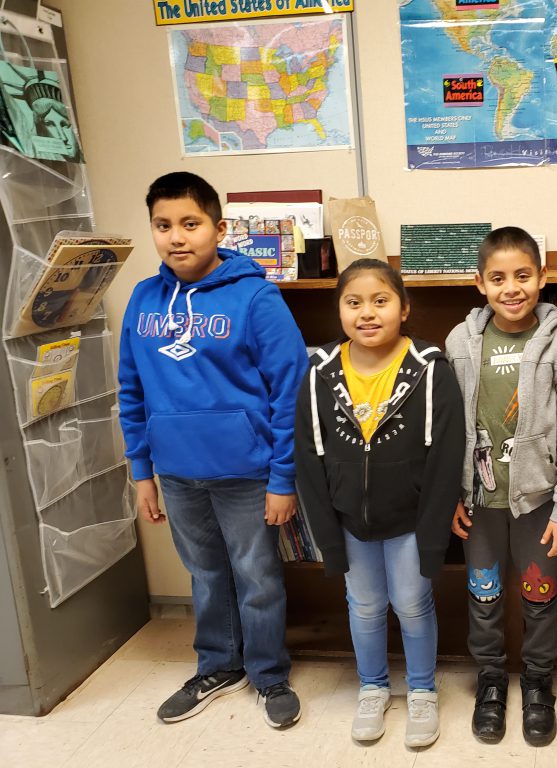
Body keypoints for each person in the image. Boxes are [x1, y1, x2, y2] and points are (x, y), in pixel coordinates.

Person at [117, 171, 308, 728]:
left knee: (258, 576)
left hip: (246, 473)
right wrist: (142, 471)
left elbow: (290, 391)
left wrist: (282, 478)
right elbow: (131, 389)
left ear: (218, 228)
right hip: (175, 473)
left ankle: (269, 675)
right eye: (163, 225)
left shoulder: (256, 296)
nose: (177, 237)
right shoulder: (143, 299)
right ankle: (218, 667)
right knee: (204, 575)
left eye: (190, 224)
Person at [294, 259, 464, 749]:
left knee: (412, 604)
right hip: (350, 521)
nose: (367, 313)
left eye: (380, 300)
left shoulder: (432, 369)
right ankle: (372, 687)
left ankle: (422, 689)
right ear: (339, 311)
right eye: (354, 303)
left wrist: (433, 538)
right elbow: (307, 456)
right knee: (365, 606)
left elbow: (446, 459)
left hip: (410, 521)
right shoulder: (320, 371)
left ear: (404, 308)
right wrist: (327, 534)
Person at [446, 226, 557, 747]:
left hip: (539, 503)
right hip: (478, 501)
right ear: (479, 282)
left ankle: (537, 682)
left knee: (540, 594)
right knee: (483, 593)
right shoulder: (460, 343)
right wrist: (450, 498)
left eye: (523, 275)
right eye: (498, 277)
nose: (512, 288)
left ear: (543, 277)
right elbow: (445, 430)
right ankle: (489, 680)